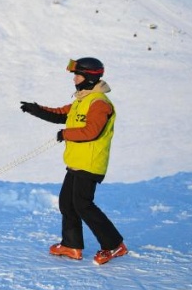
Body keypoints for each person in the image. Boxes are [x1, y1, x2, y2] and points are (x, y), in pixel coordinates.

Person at [20, 57, 128, 265]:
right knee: (67, 203)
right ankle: (71, 245)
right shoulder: (83, 100)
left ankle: (114, 245)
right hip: (77, 162)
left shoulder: (99, 103)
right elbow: (62, 114)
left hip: (90, 162)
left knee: (83, 205)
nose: (74, 79)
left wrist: (66, 134)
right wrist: (37, 109)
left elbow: (91, 131)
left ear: (88, 78)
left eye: (77, 75)